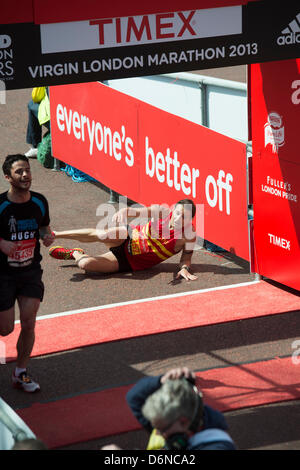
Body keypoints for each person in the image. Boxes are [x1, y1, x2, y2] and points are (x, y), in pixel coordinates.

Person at [0, 154, 54, 392]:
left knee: (29, 322)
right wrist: (0, 243)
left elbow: (43, 226)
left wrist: (47, 237)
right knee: (5, 329)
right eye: (19, 172)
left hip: (30, 272)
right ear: (8, 177)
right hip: (3, 274)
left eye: (28, 170)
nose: (25, 175)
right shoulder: (1, 206)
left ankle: (20, 372)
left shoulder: (40, 202)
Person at [49, 199, 198, 282]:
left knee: (85, 264)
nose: (178, 218)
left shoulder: (188, 235)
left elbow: (186, 258)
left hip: (131, 262)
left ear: (190, 220)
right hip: (128, 236)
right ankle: (57, 234)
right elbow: (135, 211)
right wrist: (124, 211)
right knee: (103, 235)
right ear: (173, 210)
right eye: (177, 213)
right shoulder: (162, 212)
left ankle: (75, 253)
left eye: (184, 217)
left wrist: (184, 268)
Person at [125, 367, 236, 450]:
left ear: (183, 421)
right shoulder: (172, 418)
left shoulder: (218, 447)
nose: (157, 434)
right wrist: (162, 380)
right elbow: (134, 398)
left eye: (162, 429)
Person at [25, 87, 50, 158]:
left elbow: (36, 96)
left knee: (31, 105)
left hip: (60, 119)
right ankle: (35, 146)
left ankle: (35, 146)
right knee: (32, 104)